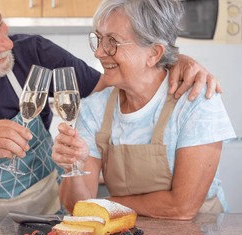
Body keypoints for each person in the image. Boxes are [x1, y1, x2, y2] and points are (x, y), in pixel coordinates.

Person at [0, 0, 220, 220]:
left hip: (45, 219)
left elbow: (113, 85)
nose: (7, 43)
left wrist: (174, 60)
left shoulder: (34, 53)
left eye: (2, 26)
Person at [52, 0, 236, 220]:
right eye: (99, 39)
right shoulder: (95, 108)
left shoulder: (196, 101)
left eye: (112, 41)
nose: (99, 52)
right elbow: (78, 207)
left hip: (200, 234)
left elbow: (183, 207)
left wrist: (105, 205)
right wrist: (73, 166)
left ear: (153, 53)